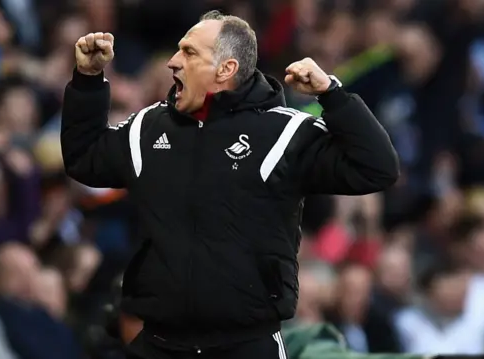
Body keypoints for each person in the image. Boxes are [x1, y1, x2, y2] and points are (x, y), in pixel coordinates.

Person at [61, 10, 399, 359]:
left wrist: (333, 95)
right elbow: (83, 159)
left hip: (247, 346)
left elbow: (377, 168)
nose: (173, 62)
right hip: (160, 343)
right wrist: (88, 80)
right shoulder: (149, 127)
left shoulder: (284, 133)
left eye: (190, 53)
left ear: (226, 69)